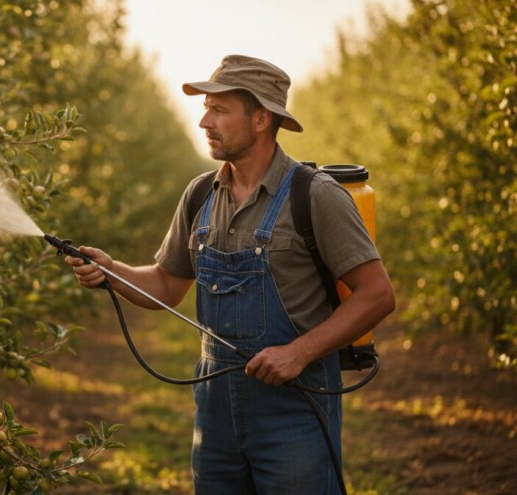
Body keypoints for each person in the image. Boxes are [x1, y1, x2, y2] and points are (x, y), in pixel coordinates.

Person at [64, 54, 396, 494]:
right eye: (205, 108)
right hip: (215, 412)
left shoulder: (315, 196)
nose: (204, 121)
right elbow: (167, 283)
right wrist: (114, 271)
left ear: (261, 119)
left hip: (294, 410)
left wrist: (298, 353)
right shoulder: (201, 193)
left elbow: (377, 295)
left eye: (219, 110)